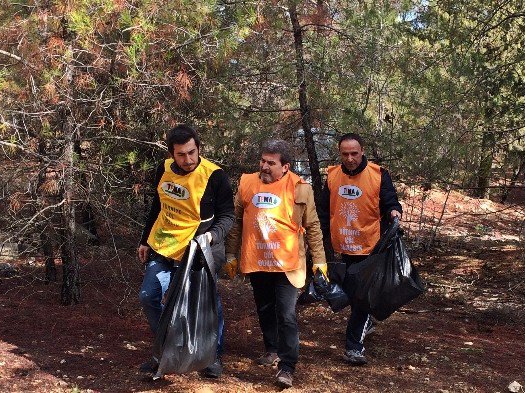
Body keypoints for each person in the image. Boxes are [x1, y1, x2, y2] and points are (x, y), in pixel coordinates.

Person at [224, 139, 327, 388]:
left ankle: (287, 366)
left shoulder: (300, 188)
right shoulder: (247, 183)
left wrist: (320, 261)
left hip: (288, 264)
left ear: (286, 167)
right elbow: (236, 222)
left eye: (271, 163)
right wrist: (230, 255)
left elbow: (312, 226)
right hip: (257, 260)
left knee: (287, 314)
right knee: (264, 309)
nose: (265, 166)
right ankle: (272, 348)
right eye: (263, 161)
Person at [137, 124, 235, 378]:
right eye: (181, 154)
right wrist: (145, 240)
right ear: (172, 154)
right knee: (149, 296)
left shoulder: (215, 175)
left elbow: (227, 216)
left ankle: (211, 357)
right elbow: (158, 205)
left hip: (199, 250)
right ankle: (165, 349)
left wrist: (213, 236)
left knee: (207, 304)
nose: (188, 159)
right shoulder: (164, 169)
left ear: (198, 148)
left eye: (192, 152)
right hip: (164, 245)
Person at [317, 132, 402, 366]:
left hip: (369, 246)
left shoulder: (377, 174)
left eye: (354, 153)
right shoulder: (333, 176)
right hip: (342, 247)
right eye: (345, 154)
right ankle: (366, 321)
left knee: (361, 298)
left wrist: (395, 212)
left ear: (362, 151)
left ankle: (354, 347)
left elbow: (390, 201)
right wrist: (317, 239)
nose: (350, 158)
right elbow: (324, 209)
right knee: (352, 296)